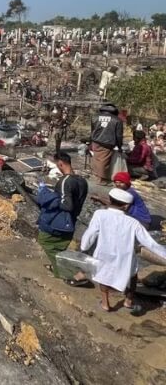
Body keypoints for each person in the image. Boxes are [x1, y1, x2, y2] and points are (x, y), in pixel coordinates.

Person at [80, 188, 166, 315]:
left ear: (110, 200)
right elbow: (150, 243)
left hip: (104, 254)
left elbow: (91, 233)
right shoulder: (133, 223)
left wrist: (84, 246)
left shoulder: (100, 214)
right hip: (125, 257)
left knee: (103, 276)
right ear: (126, 206)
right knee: (132, 276)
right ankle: (128, 301)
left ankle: (105, 303)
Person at [36, 152, 90, 286]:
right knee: (60, 246)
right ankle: (57, 266)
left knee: (45, 241)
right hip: (71, 221)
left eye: (57, 165)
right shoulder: (82, 181)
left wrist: (47, 195)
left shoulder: (65, 181)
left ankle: (74, 274)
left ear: (60, 164)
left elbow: (67, 204)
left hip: (60, 220)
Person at [90, 103, 123, 184]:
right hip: (107, 142)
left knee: (96, 158)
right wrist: (119, 146)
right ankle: (101, 179)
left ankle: (96, 175)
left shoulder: (95, 117)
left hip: (95, 141)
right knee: (103, 161)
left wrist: (91, 141)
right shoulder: (117, 120)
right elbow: (119, 135)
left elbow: (92, 130)